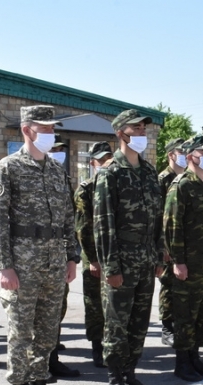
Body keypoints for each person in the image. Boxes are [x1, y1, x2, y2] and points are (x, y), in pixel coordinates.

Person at [0, 105, 76, 385]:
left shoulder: (55, 169)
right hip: (22, 266)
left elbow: (68, 218)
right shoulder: (7, 168)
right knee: (21, 334)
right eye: (45, 128)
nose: (51, 134)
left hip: (54, 264)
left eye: (53, 128)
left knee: (47, 334)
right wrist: (5, 266)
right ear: (27, 130)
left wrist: (71, 257)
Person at [94, 109, 164, 385]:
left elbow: (156, 219)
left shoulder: (148, 172)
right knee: (116, 324)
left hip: (146, 262)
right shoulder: (110, 173)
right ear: (121, 133)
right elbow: (103, 224)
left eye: (143, 129)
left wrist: (160, 256)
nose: (141, 134)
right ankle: (114, 380)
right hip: (121, 262)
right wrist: (110, 266)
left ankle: (131, 374)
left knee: (139, 323)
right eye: (135, 129)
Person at [164, 135, 203, 381]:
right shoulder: (182, 185)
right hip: (188, 263)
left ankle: (195, 357)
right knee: (185, 314)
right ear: (190, 156)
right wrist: (177, 261)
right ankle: (182, 363)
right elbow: (172, 226)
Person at [74, 141, 113, 368]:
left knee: (114, 307)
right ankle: (97, 348)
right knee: (95, 305)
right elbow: (83, 228)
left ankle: (113, 345)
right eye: (101, 160)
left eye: (109, 157)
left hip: (114, 257)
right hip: (95, 258)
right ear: (92, 163)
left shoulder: (114, 183)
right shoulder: (86, 189)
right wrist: (93, 259)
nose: (106, 162)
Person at [46, 136, 80, 379]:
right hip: (32, 258)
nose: (59, 152)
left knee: (57, 308)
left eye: (61, 149)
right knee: (35, 318)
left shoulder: (63, 178)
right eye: (54, 149)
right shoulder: (19, 172)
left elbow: (70, 220)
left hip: (58, 256)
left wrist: (72, 256)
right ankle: (39, 366)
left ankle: (52, 356)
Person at [156, 138, 186, 347]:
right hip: (168, 244)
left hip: (185, 243)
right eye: (180, 151)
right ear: (171, 155)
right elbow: (159, 215)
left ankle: (181, 325)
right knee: (168, 285)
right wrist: (163, 246)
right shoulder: (163, 179)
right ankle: (167, 327)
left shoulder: (188, 178)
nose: (184, 154)